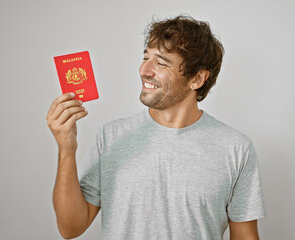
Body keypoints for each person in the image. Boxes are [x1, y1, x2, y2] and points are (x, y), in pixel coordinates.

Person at [46, 15, 266, 240]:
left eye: (161, 62)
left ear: (197, 78)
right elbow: (70, 227)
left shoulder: (236, 148)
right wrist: (66, 149)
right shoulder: (111, 136)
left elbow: (245, 236)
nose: (144, 70)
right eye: (145, 57)